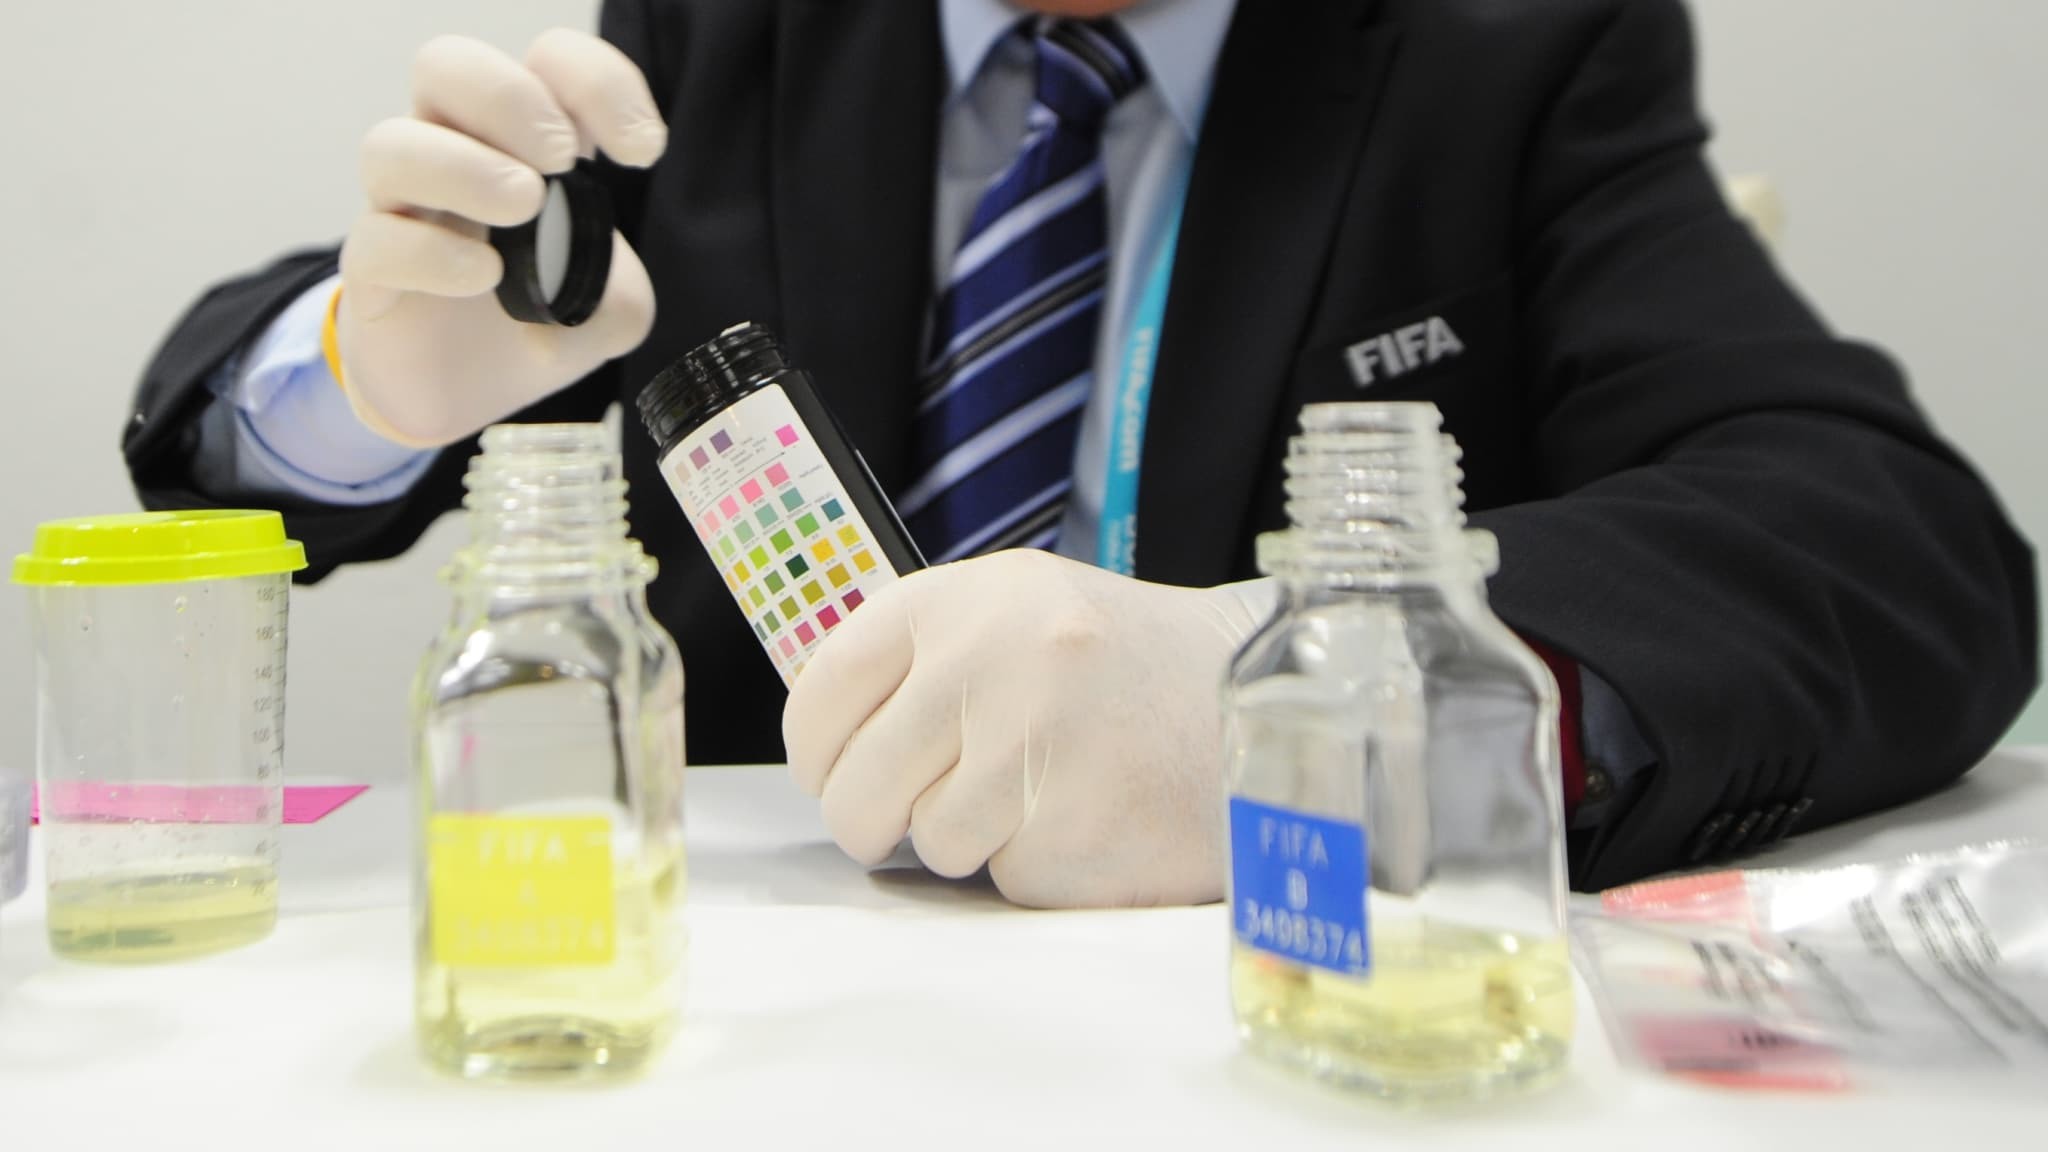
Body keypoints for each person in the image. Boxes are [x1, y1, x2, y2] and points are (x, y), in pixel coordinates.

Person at [126, 0, 2037, 907]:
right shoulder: (721, 33)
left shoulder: (1508, 48)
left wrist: (1309, 693)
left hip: (1286, 1008)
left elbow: (1892, 547)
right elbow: (228, 448)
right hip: (765, 1022)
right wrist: (358, 380)